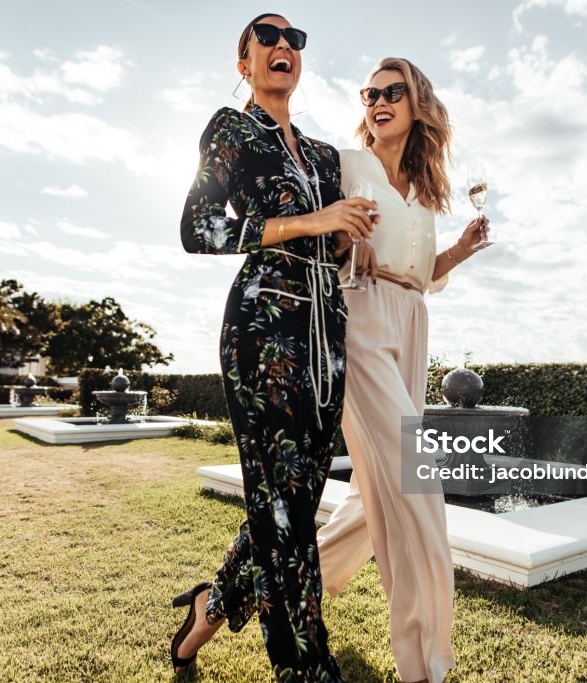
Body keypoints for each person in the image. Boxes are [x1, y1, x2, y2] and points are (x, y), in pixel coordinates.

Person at [172, 12, 377, 681]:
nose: (285, 45)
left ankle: (210, 604)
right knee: (276, 499)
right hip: (263, 327)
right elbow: (198, 228)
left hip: (328, 331)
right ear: (245, 63)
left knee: (294, 496)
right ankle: (304, 661)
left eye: (295, 39)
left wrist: (346, 234)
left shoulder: (323, 154)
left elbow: (334, 243)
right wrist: (312, 220)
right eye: (269, 36)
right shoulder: (232, 129)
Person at [316, 57, 491, 683]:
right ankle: (426, 664)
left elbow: (420, 271)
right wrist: (340, 237)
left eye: (394, 91)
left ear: (417, 104)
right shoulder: (345, 162)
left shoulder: (424, 190)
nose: (379, 101)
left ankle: (299, 578)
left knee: (373, 489)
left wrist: (460, 252)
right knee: (417, 488)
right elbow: (326, 242)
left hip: (413, 317)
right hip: (360, 312)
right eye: (370, 92)